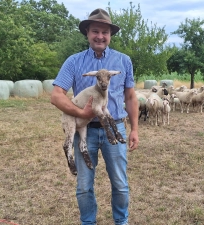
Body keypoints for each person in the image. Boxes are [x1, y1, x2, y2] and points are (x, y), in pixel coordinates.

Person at [50, 8, 139, 225]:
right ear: (87, 33)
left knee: (119, 182)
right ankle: (88, 222)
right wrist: (82, 114)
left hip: (115, 126)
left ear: (110, 35)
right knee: (83, 184)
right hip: (85, 131)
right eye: (95, 31)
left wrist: (135, 129)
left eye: (105, 32)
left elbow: (130, 96)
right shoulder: (74, 62)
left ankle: (121, 221)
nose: (100, 36)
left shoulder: (124, 61)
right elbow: (56, 95)